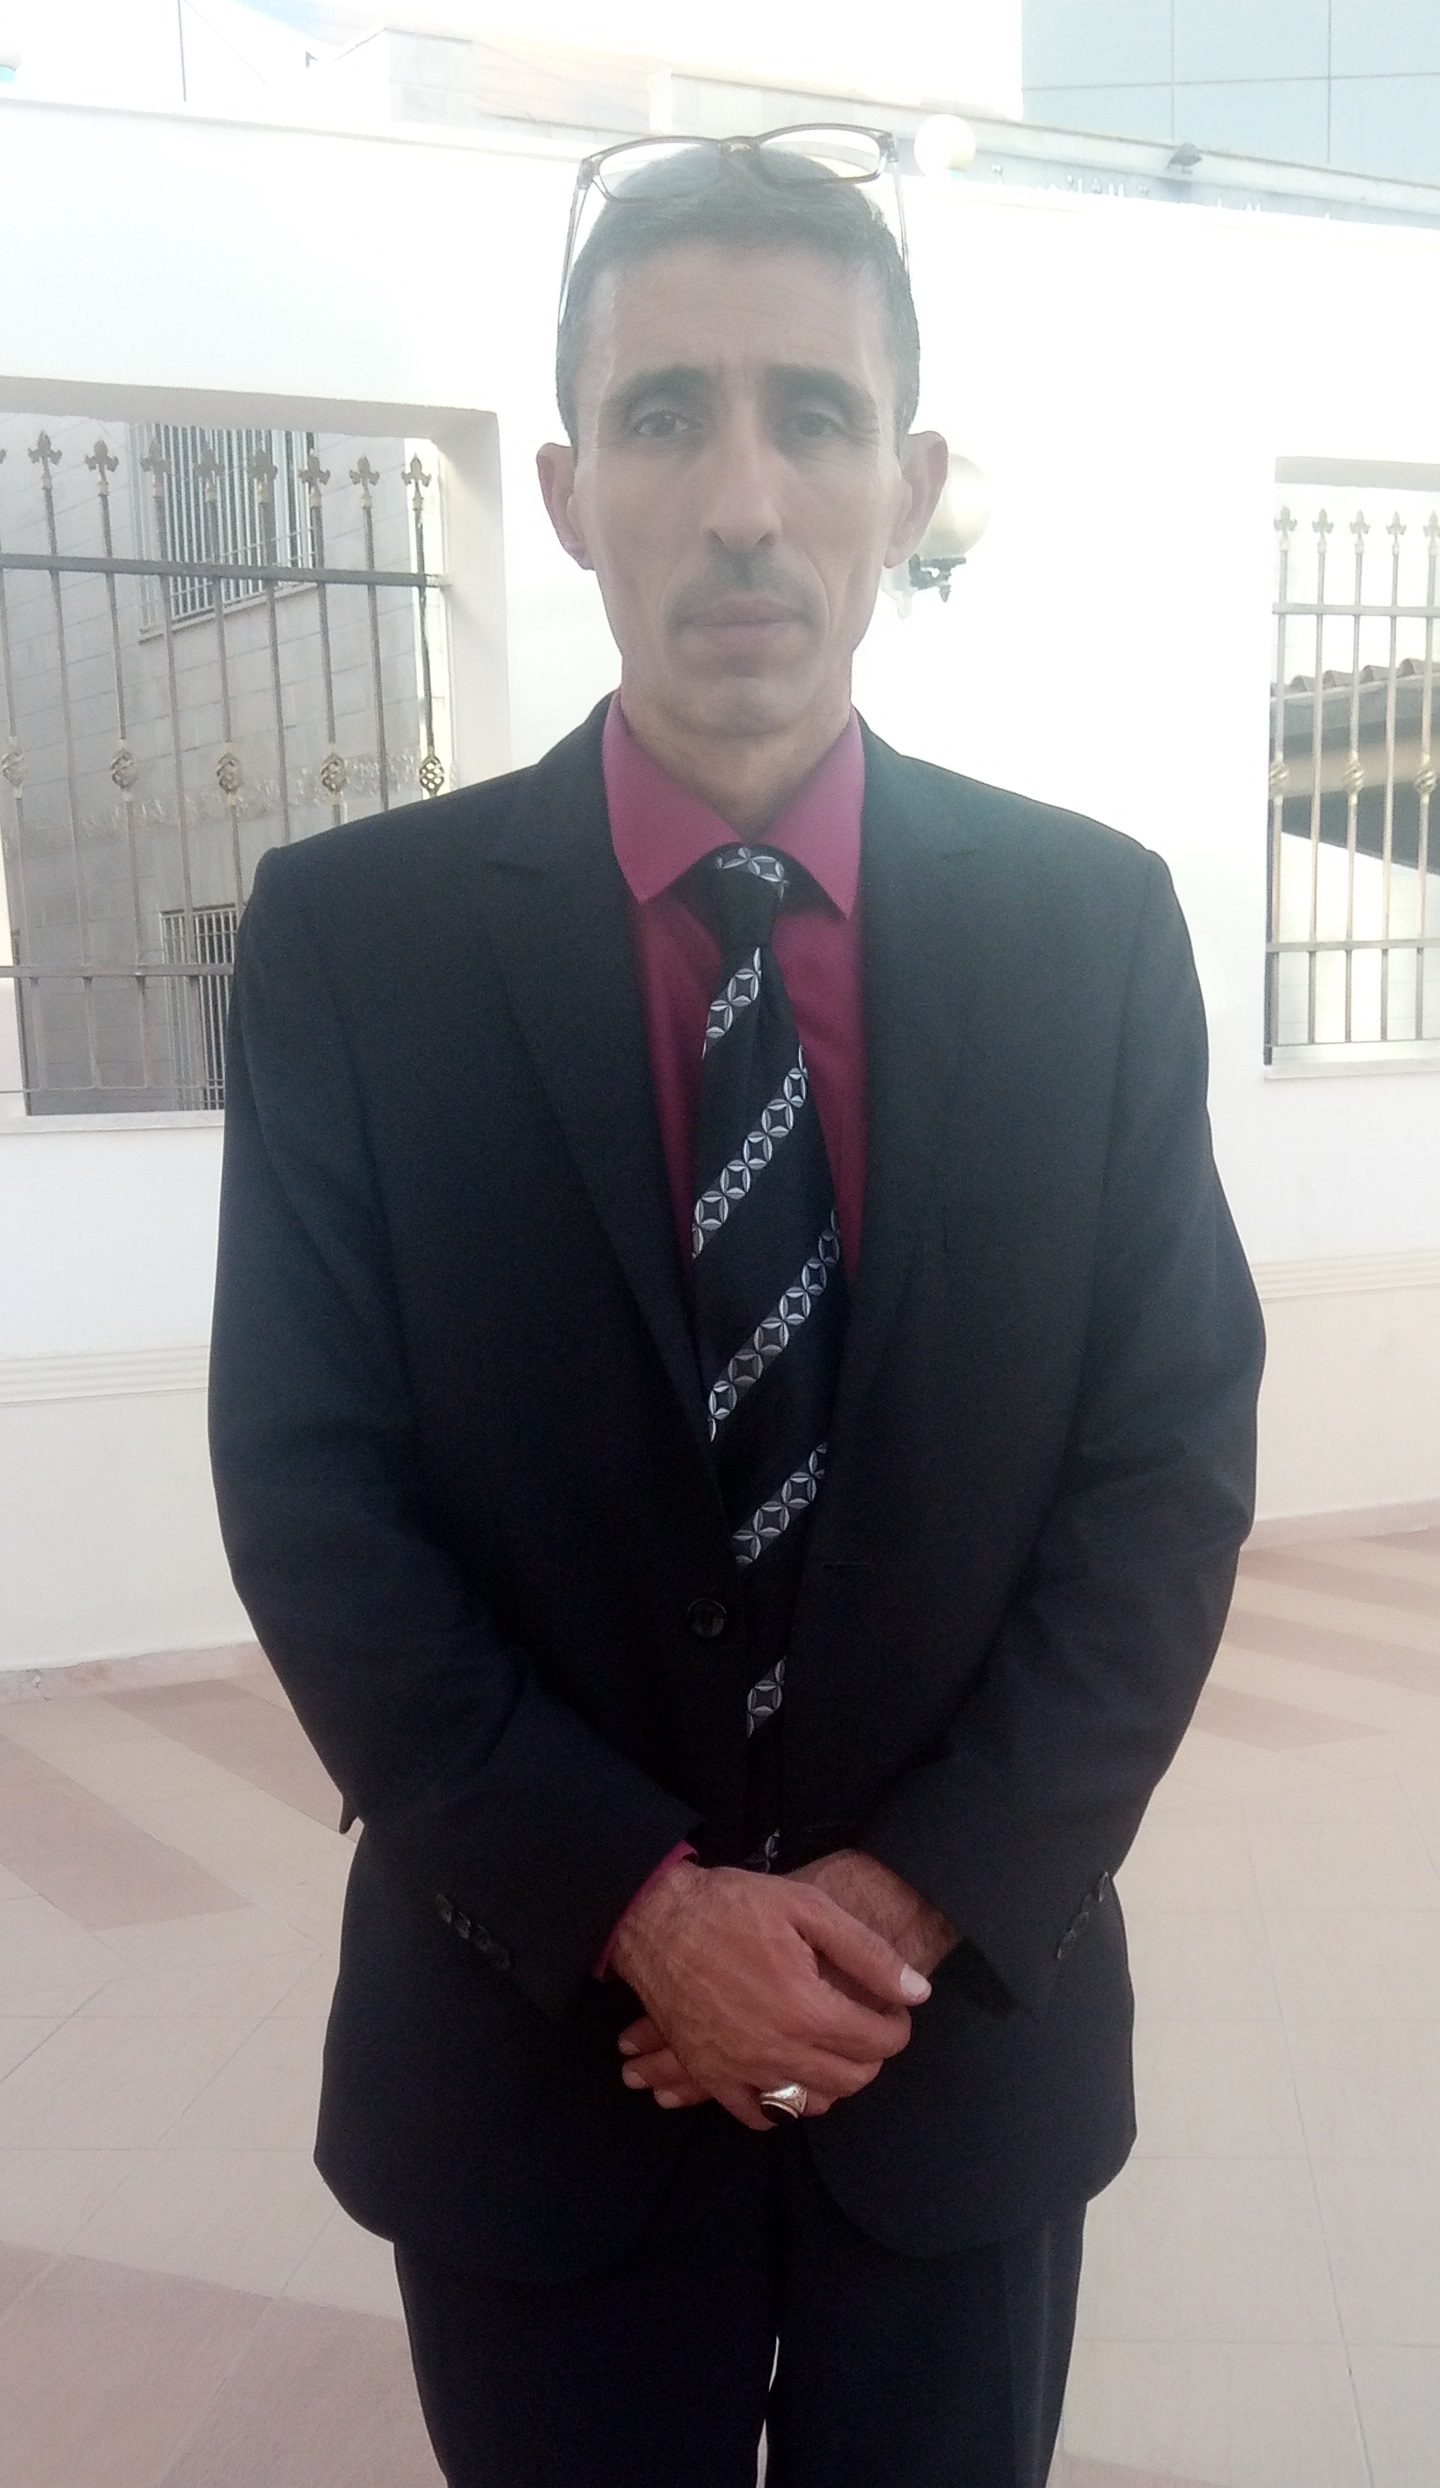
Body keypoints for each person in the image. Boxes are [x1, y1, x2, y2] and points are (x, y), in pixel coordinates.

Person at [209, 127, 1264, 2488]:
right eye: (668, 415)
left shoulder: (1093, 935)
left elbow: (1166, 1470)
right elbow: (311, 1493)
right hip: (533, 2062)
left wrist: (900, 1903)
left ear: (913, 484)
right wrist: (639, 1904)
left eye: (815, 414)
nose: (746, 500)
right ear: (571, 493)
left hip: (953, 2057)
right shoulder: (354, 949)